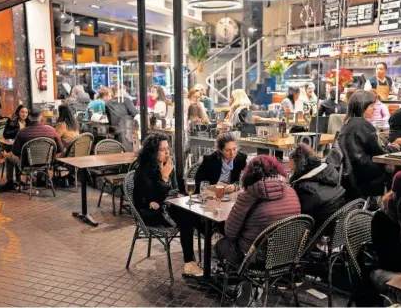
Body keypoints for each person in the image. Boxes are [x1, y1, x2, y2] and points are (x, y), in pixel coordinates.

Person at [133, 133, 204, 276]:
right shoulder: (143, 170)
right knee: (188, 217)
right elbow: (149, 198)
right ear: (152, 152)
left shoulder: (167, 165)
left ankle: (214, 245)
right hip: (149, 214)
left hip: (167, 208)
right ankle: (190, 263)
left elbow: (174, 190)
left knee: (196, 212)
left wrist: (167, 196)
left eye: (167, 148)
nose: (167, 153)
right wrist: (164, 178)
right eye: (162, 149)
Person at [214, 155, 301, 267]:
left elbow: (230, 233)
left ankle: (236, 278)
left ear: (249, 174)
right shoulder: (292, 192)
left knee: (220, 245)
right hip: (287, 256)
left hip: (255, 259)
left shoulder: (247, 197)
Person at [338, 90, 399, 200]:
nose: (374, 108)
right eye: (371, 106)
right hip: (365, 174)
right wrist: (392, 148)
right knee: (398, 169)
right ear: (362, 107)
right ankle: (389, 204)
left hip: (350, 174)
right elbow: (379, 154)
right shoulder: (364, 125)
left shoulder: (346, 124)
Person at [1, 109, 64, 191]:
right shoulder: (51, 130)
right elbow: (60, 149)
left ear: (29, 118)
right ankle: (39, 179)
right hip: (47, 162)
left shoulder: (22, 132)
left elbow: (15, 152)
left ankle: (10, 182)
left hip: (27, 162)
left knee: (8, 156)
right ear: (41, 118)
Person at [289, 144, 346, 231]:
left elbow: (299, 218)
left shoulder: (303, 189)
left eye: (292, 170)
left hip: (316, 233)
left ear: (299, 167)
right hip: (337, 227)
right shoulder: (329, 173)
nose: (290, 173)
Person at [106, 85, 139, 151]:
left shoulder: (108, 103)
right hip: (127, 134)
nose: (125, 92)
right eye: (124, 90)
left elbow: (109, 120)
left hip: (114, 134)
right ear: (120, 91)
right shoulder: (126, 100)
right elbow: (135, 113)